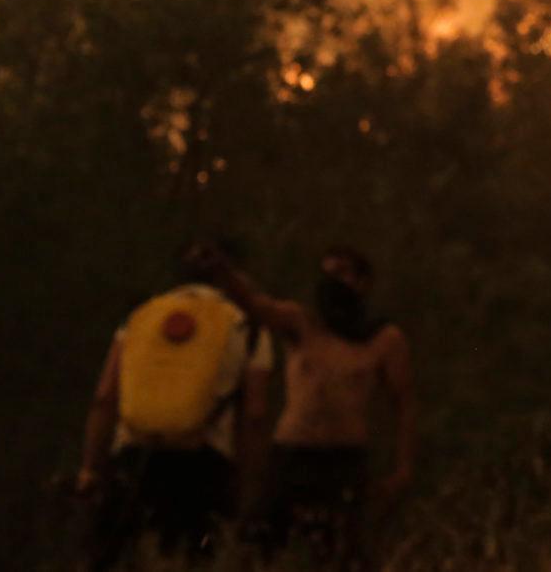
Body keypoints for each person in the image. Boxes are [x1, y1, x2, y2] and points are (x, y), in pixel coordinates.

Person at [199, 242, 416, 570]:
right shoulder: (301, 323)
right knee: (255, 547)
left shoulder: (384, 339)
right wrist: (224, 272)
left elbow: (404, 404)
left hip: (342, 463)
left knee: (341, 556)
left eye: (341, 273)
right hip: (291, 456)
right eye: (326, 272)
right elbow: (255, 303)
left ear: (362, 282)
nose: (331, 281)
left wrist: (402, 469)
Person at [75, 239, 274, 569]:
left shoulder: (142, 316)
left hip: (134, 456)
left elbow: (104, 398)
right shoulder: (247, 326)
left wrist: (90, 470)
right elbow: (255, 414)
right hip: (205, 464)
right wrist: (250, 491)